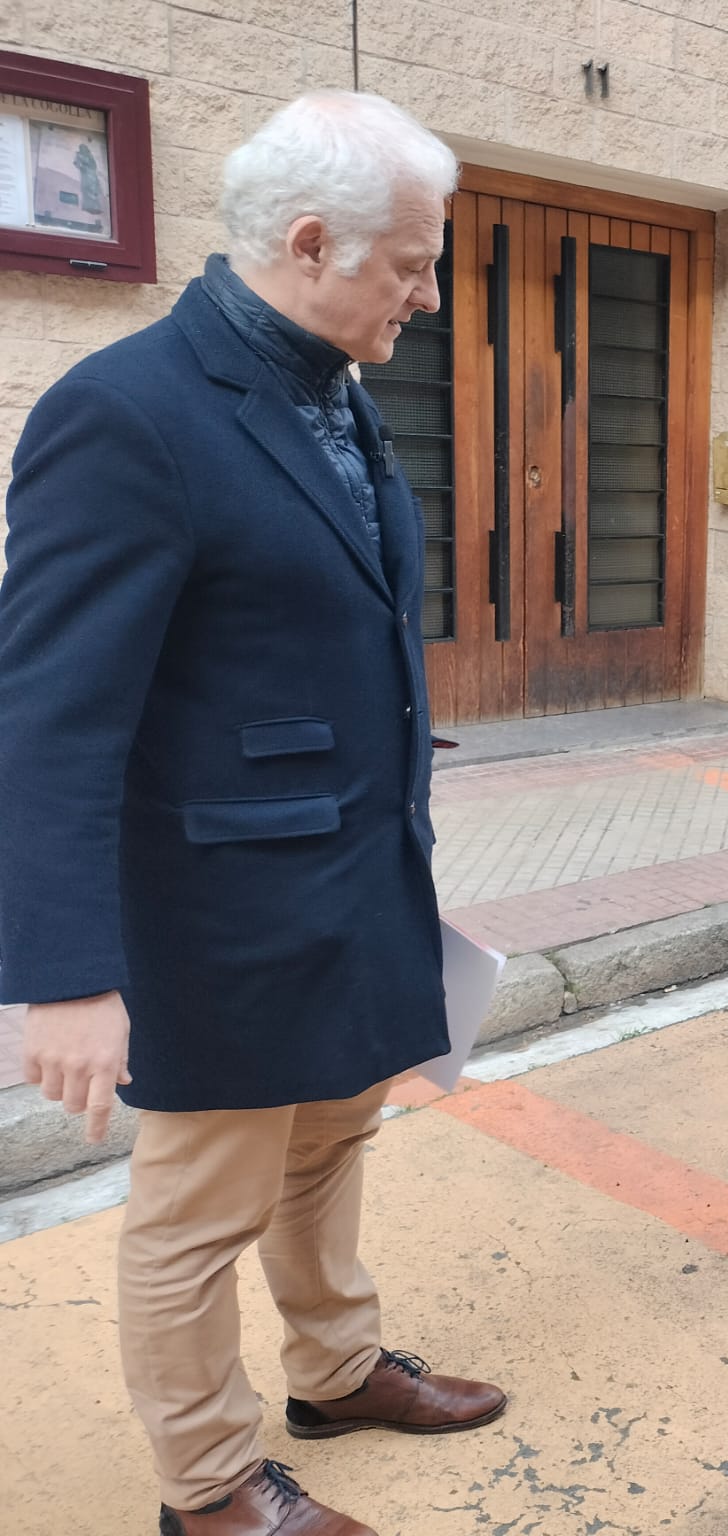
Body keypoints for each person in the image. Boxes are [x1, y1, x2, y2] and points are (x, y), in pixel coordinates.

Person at [0, 92, 504, 1536]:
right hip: (216, 914)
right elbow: (46, 715)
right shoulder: (126, 412)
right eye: (410, 264)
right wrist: (67, 974)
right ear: (309, 242)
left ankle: (337, 1369)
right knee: (196, 1212)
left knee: (333, 1139)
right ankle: (209, 1486)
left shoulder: (335, 387)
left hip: (352, 877)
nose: (425, 290)